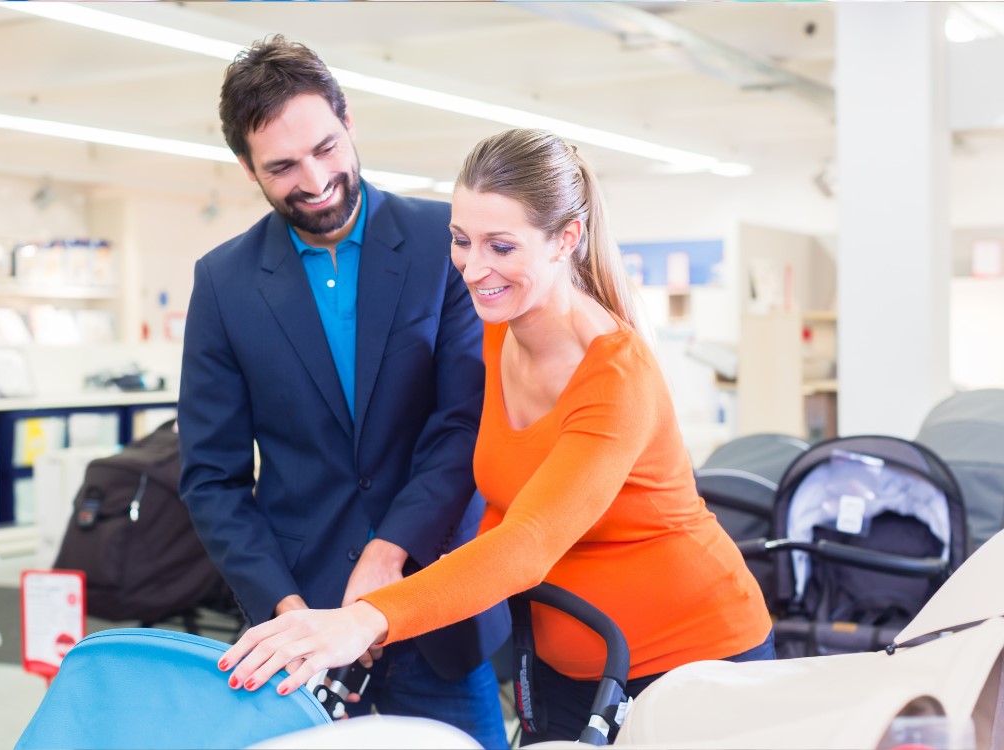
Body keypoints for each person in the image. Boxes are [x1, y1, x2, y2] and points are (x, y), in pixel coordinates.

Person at [217, 128, 776, 743]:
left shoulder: (616, 375)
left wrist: (366, 620)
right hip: (568, 658)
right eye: (461, 240)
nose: (473, 267)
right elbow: (488, 488)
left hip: (689, 659)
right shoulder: (499, 329)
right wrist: (385, 582)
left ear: (566, 239)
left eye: (501, 246)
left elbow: (529, 541)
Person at [177, 36, 510, 748]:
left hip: (435, 601)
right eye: (284, 167)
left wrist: (388, 554)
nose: (316, 179)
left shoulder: (443, 241)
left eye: (327, 148)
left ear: (348, 122)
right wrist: (287, 607)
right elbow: (212, 478)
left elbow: (463, 424)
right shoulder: (224, 283)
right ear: (247, 169)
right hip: (297, 624)